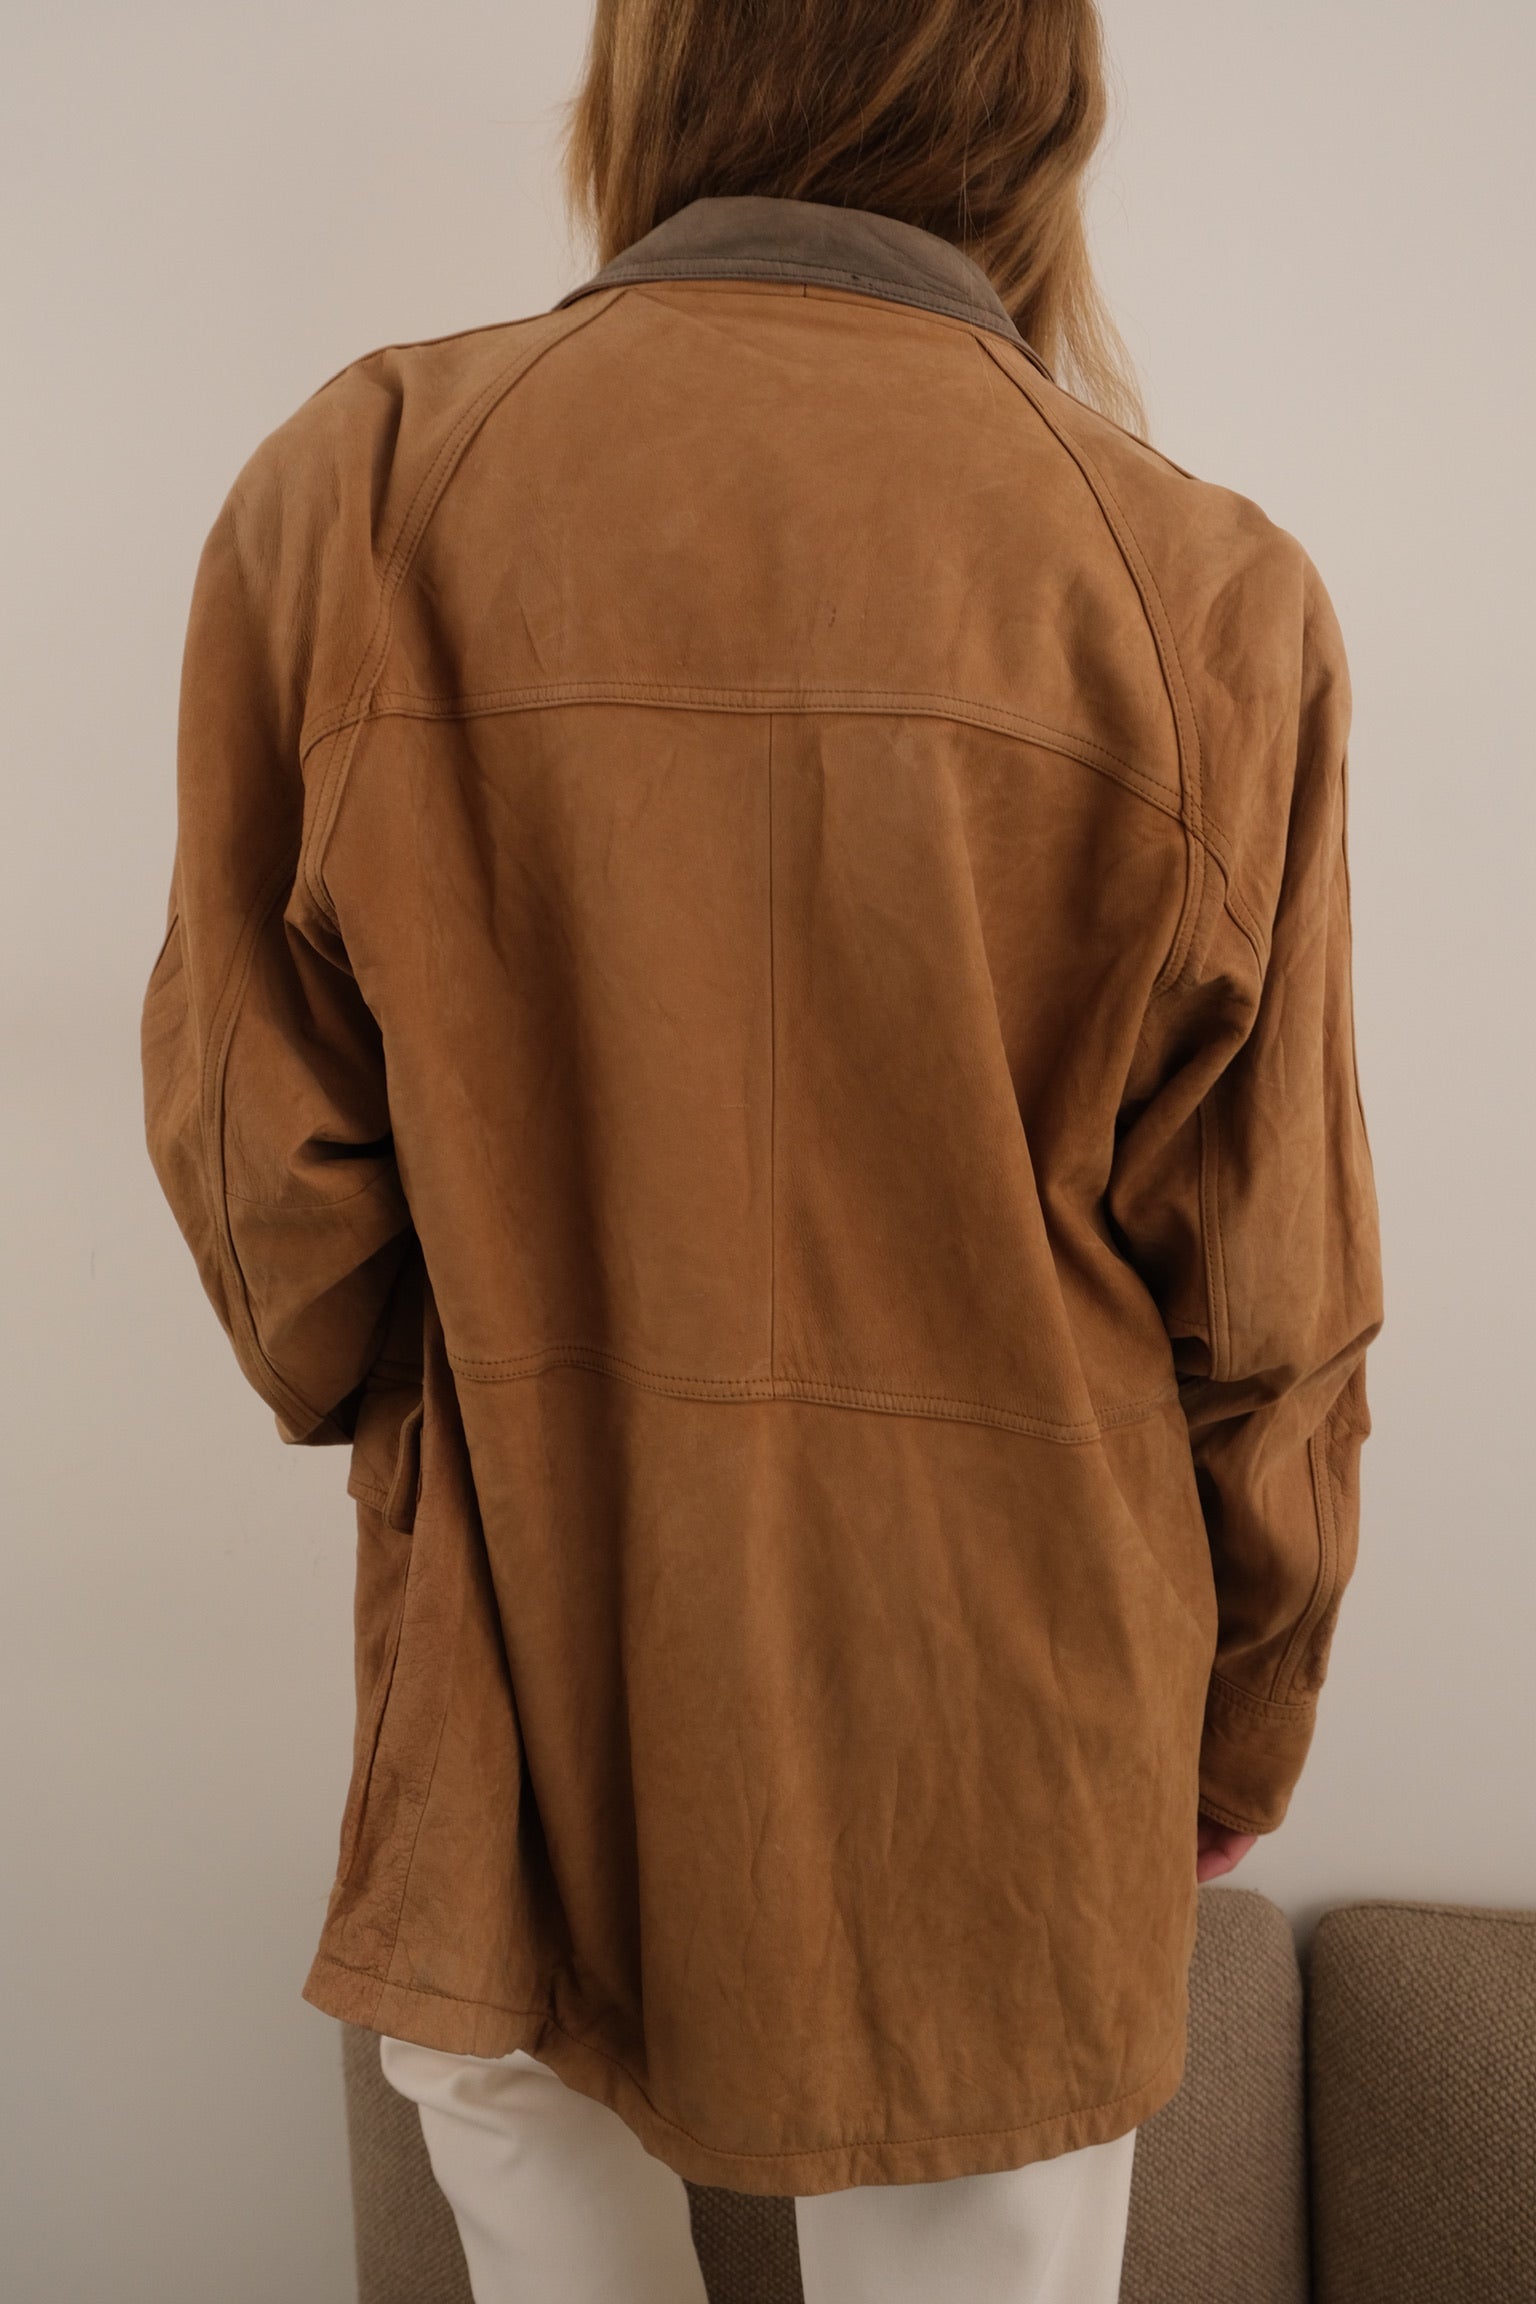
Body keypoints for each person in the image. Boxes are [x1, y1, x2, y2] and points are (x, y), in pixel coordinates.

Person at [140, 0, 1383, 2296]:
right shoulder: (1199, 586)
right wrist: (1238, 1726)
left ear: (658, 74)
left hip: (518, 1665)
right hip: (1008, 1725)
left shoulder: (371, 484)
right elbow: (1276, 1302)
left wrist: (462, 1406)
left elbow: (262, 1166)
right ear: (1036, 111)